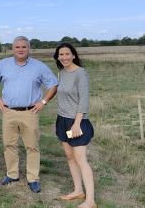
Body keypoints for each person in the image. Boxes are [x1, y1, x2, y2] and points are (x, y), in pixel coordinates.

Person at [0, 36, 57, 193]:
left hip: (29, 112)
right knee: (9, 144)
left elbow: (53, 84)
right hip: (9, 112)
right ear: (12, 49)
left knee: (32, 146)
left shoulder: (39, 67)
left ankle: (33, 178)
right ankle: (12, 174)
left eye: (24, 47)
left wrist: (43, 102)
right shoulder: (3, 64)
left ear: (29, 48)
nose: (20, 49)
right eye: (17, 47)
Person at [54, 43, 96, 208]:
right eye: (61, 54)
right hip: (62, 120)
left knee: (81, 159)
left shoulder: (81, 73)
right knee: (69, 156)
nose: (64, 57)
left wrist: (76, 124)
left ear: (73, 55)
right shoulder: (62, 73)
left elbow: (83, 101)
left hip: (76, 122)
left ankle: (91, 200)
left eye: (67, 54)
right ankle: (78, 190)